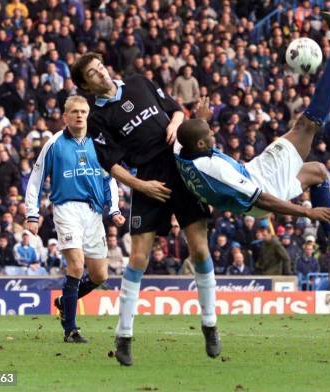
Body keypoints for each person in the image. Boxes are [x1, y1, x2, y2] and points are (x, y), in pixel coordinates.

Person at [70, 53, 220, 365]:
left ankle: (209, 325)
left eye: (100, 67)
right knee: (138, 257)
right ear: (86, 85)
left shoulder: (139, 82)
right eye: (93, 74)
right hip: (148, 178)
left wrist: (178, 121)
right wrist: (142, 186)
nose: (101, 73)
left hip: (180, 166)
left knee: (201, 251)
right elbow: (110, 164)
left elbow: (175, 110)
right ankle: (124, 335)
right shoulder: (98, 118)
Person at [175, 13, 330, 232]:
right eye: (209, 135)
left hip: (253, 181)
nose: (213, 134)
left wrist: (201, 120)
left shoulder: (181, 149)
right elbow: (262, 200)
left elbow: (190, 135)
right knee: (306, 126)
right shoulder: (214, 169)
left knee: (317, 171)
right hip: (263, 187)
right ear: (201, 145)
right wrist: (308, 212)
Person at [25, 95, 125, 343]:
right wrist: (32, 214)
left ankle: (63, 302)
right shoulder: (54, 143)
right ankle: (71, 329)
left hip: (93, 212)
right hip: (66, 208)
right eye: (74, 112)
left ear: (88, 114)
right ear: (65, 116)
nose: (79, 115)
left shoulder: (99, 142)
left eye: (83, 111)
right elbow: (36, 179)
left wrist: (113, 209)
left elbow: (108, 179)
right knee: (76, 266)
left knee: (100, 275)